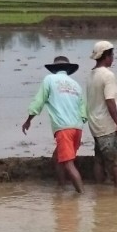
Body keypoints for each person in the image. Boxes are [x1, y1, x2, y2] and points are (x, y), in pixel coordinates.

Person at [22, 55, 86, 193]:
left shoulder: (49, 80)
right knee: (57, 158)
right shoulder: (76, 85)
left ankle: (81, 195)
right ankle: (61, 187)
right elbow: (83, 111)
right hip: (77, 128)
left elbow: (39, 101)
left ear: (54, 69)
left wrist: (28, 120)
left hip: (64, 129)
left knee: (68, 164)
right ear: (68, 70)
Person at [86, 40, 117, 187]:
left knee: (99, 159)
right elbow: (110, 101)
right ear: (107, 56)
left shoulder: (91, 75)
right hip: (107, 126)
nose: (113, 58)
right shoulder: (108, 75)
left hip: (95, 125)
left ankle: (99, 191)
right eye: (112, 55)